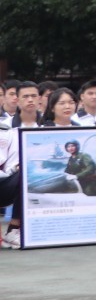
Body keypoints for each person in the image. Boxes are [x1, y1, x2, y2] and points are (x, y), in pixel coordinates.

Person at [0, 83, 42, 246]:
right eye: (25, 96)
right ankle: (13, 229)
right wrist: (14, 170)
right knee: (26, 173)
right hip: (8, 182)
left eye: (33, 96)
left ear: (39, 99)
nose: (30, 100)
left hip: (40, 178)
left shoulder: (48, 127)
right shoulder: (5, 128)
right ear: (17, 100)